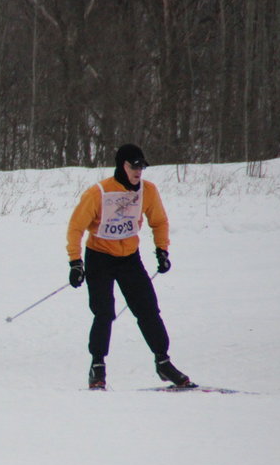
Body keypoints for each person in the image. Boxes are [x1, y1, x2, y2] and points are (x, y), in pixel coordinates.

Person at [66, 143, 192, 389]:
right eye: (134, 166)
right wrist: (75, 262)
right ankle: (97, 365)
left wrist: (162, 250)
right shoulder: (99, 192)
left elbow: (159, 221)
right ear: (121, 165)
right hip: (99, 256)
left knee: (148, 310)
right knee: (104, 312)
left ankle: (163, 362)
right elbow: (76, 227)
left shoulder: (148, 191)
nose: (138, 171)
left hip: (129, 259)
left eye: (142, 167)